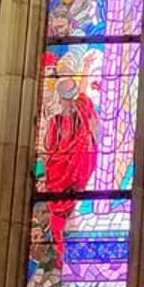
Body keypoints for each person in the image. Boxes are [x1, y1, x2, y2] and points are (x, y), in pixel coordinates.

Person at [43, 76, 100, 266]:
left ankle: (61, 253)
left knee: (59, 212)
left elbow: (49, 148)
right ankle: (61, 255)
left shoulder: (56, 121)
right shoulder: (79, 112)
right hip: (75, 169)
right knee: (62, 211)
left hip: (63, 172)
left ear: (59, 97)